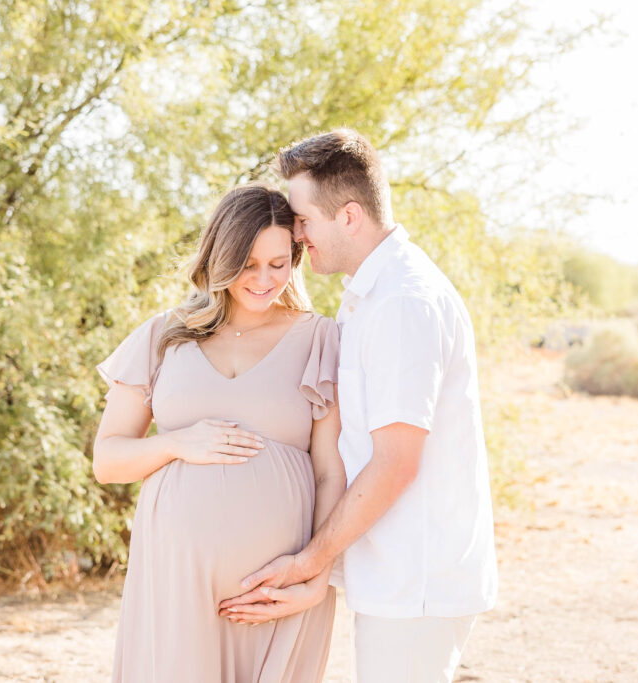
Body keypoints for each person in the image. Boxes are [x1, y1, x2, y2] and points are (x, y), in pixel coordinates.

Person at [218, 130, 498, 682]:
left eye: (303, 220)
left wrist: (312, 560)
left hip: (416, 578)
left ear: (348, 216)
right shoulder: (370, 294)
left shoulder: (402, 302)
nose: (296, 237)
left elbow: (396, 462)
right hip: (394, 574)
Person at [92, 183, 346, 682]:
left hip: (274, 588)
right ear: (219, 257)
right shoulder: (163, 336)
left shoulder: (319, 338)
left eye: (279, 262)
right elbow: (107, 461)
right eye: (248, 263)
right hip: (174, 580)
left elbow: (330, 474)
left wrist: (314, 573)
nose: (264, 279)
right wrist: (174, 443)